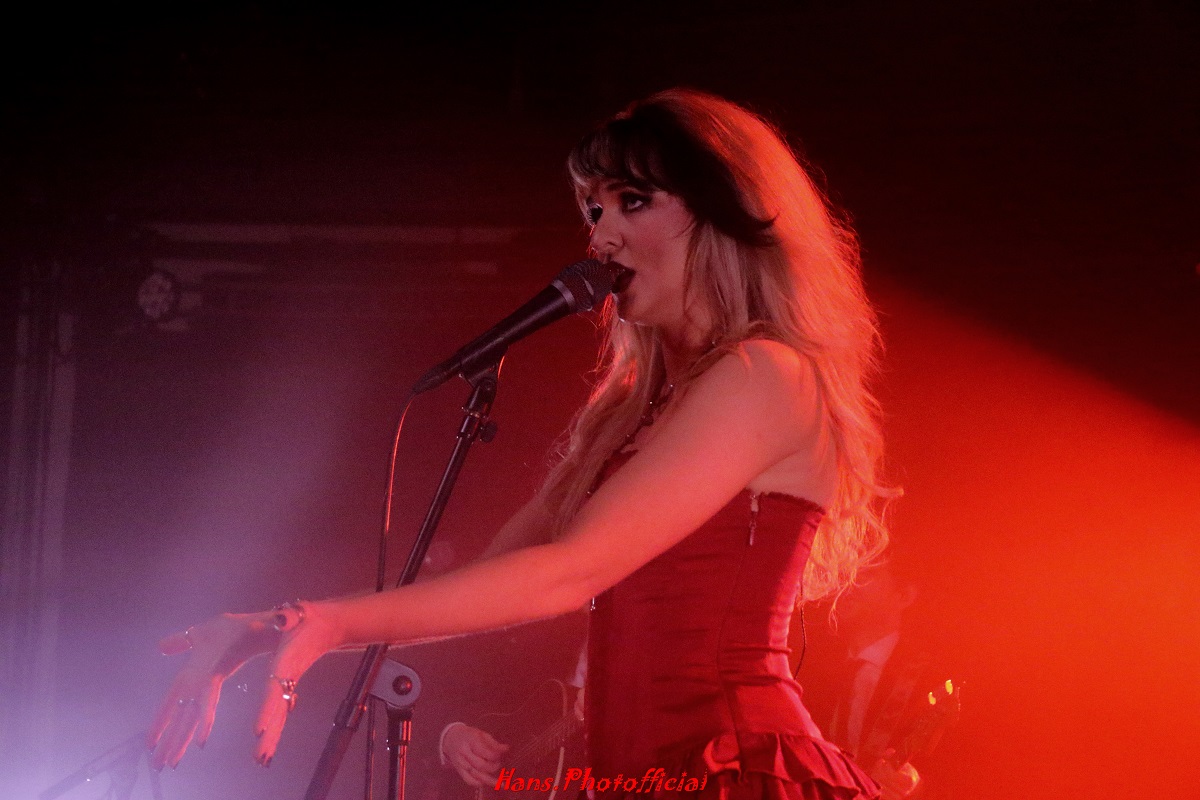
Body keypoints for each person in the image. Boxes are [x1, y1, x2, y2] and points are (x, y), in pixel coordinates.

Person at [146, 88, 893, 800]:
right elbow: (500, 575)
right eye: (593, 208)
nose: (601, 236)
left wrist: (331, 624)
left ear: (723, 210)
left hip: (734, 768)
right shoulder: (639, 411)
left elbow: (570, 572)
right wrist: (278, 625)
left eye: (633, 201)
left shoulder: (766, 374)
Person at [801, 560, 959, 800]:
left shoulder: (934, 680)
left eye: (865, 574)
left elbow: (964, 772)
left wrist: (916, 786)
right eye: (846, 572)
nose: (847, 583)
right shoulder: (805, 659)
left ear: (904, 596)